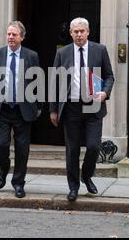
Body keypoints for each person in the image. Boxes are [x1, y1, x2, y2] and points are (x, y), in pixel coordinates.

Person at [49, 18, 114, 201]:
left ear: (88, 32)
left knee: (93, 146)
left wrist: (105, 93)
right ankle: (73, 187)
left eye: (82, 31)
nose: (78, 34)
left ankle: (86, 175)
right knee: (72, 149)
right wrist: (53, 109)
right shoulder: (63, 53)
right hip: (71, 106)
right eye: (75, 31)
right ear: (71, 33)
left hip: (94, 105)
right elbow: (55, 81)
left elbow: (109, 75)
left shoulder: (99, 50)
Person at [0, 21, 41, 198]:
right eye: (8, 34)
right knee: (1, 145)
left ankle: (18, 183)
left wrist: (38, 107)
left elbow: (38, 83)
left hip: (23, 110)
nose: (10, 37)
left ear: (22, 37)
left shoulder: (32, 56)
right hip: (2, 109)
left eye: (14, 34)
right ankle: (3, 170)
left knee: (22, 149)